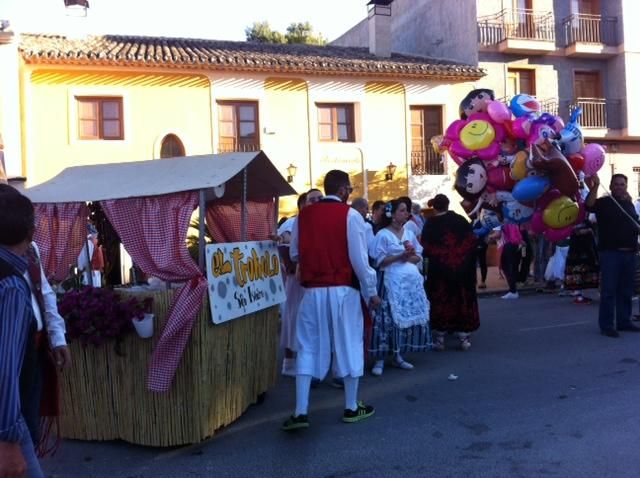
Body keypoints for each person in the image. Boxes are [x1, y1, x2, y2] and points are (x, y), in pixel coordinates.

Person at [283, 170, 379, 430]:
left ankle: (300, 412)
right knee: (348, 342)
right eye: (349, 189)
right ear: (344, 190)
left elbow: (294, 254)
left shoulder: (302, 217)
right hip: (342, 290)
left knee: (306, 345)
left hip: (311, 291)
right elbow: (359, 260)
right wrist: (372, 293)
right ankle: (350, 406)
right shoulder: (351, 216)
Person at [0, 188, 45, 478]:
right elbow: (4, 370)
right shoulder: (10, 286)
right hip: (6, 423)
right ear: (30, 231)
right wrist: (7, 440)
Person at [368, 199, 430, 376]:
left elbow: (418, 255)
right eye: (402, 210)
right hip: (389, 282)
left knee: (402, 320)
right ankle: (379, 359)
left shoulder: (408, 233)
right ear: (392, 214)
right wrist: (399, 257)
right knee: (385, 319)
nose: (406, 213)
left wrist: (407, 257)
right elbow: (378, 261)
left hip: (408, 283)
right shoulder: (382, 235)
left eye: (406, 210)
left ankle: (398, 355)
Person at [421, 194, 479, 351]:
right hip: (462, 271)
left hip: (439, 272)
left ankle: (440, 339)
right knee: (461, 300)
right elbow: (472, 242)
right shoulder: (460, 220)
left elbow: (425, 247)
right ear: (447, 205)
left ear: (434, 207)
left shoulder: (430, 224)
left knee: (441, 301)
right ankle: (463, 338)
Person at [585, 173, 640, 337]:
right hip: (611, 253)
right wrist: (595, 186)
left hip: (630, 253)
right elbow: (588, 206)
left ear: (626, 186)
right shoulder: (603, 202)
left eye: (622, 184)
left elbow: (632, 224)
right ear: (610, 186)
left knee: (626, 290)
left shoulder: (629, 203)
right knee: (609, 291)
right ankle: (607, 325)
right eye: (616, 184)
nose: (619, 187)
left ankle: (624, 321)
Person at [277, 189, 322, 377]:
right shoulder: (293, 222)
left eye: (320, 198)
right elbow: (284, 240)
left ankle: (308, 361)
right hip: (297, 280)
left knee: (311, 320)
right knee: (292, 317)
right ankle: (288, 362)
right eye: (313, 199)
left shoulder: (322, 222)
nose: (317, 202)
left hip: (316, 280)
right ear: (302, 205)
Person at [563, 217, 599, 304]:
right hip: (576, 252)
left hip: (586, 251)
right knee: (577, 273)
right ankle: (579, 295)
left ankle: (582, 295)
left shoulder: (586, 220)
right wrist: (587, 230)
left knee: (585, 273)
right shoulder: (571, 220)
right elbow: (575, 231)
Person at [500, 222, 524, 299]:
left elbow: (497, 234)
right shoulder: (513, 221)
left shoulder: (502, 222)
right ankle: (513, 289)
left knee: (506, 267)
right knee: (513, 267)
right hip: (516, 245)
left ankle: (513, 290)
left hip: (509, 245)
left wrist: (490, 236)